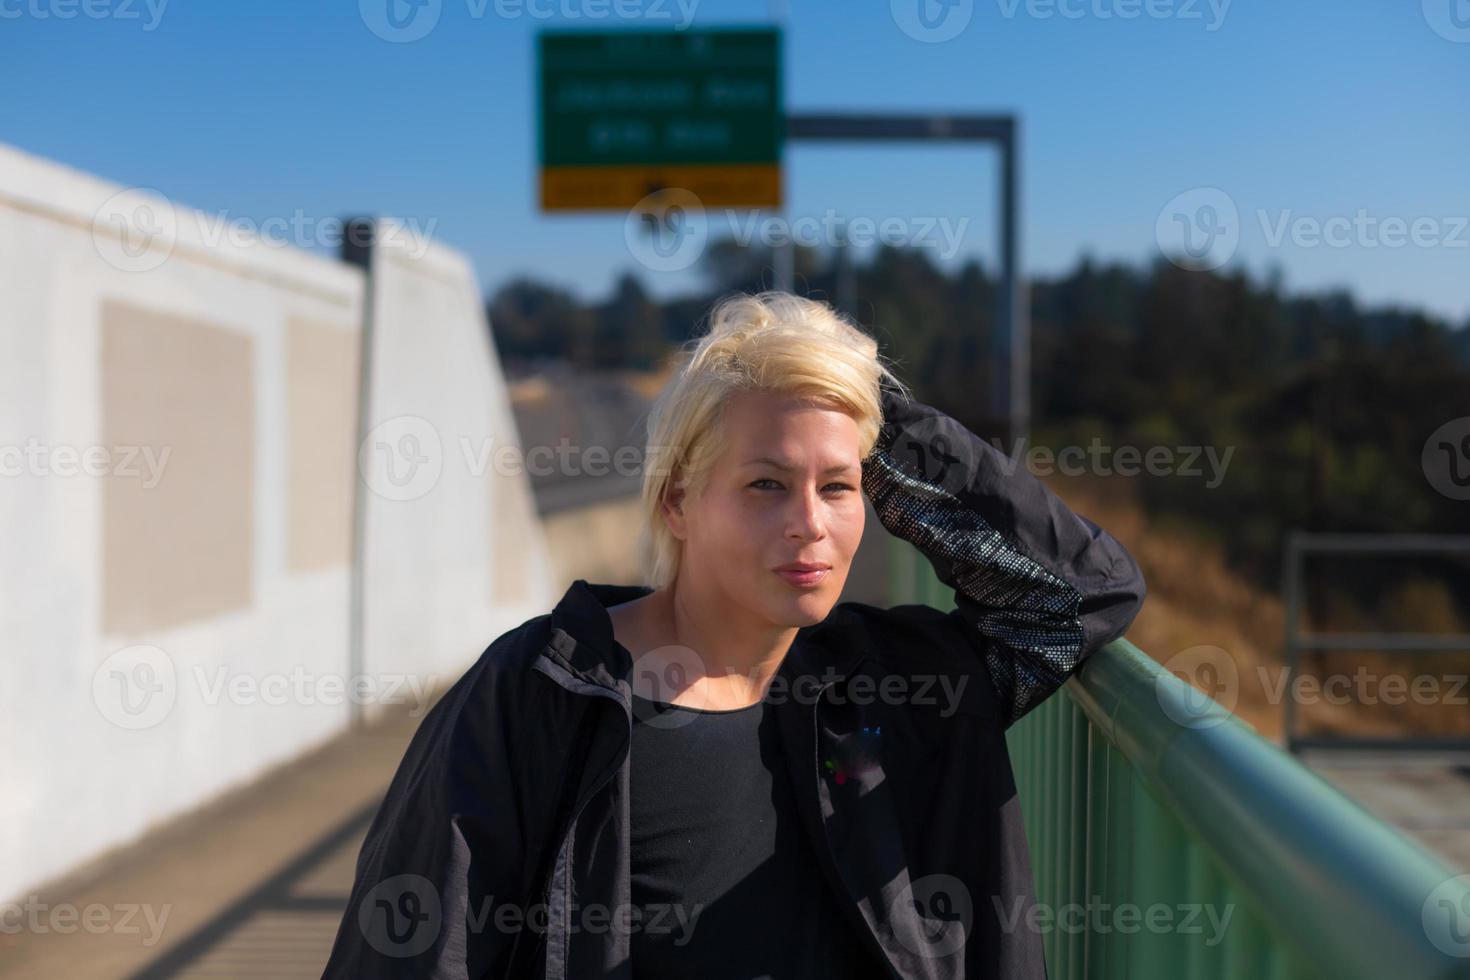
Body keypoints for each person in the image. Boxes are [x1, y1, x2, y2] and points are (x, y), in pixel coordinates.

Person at [320, 290, 1147, 979]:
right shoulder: (541, 695)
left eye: (838, 487)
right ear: (678, 502)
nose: (809, 526)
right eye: (765, 485)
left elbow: (1078, 593)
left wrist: (858, 404)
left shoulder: (900, 690)